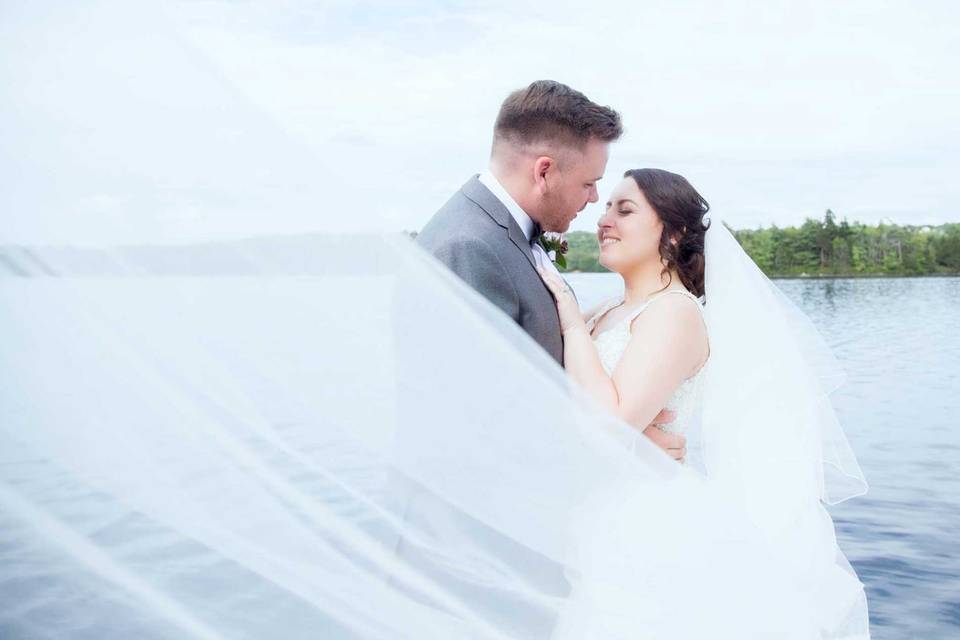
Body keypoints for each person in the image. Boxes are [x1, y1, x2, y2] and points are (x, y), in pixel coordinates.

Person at [417, 80, 686, 460]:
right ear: (544, 172)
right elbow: (470, 417)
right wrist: (629, 446)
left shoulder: (504, 235)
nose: (594, 201)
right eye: (589, 184)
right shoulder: (468, 248)